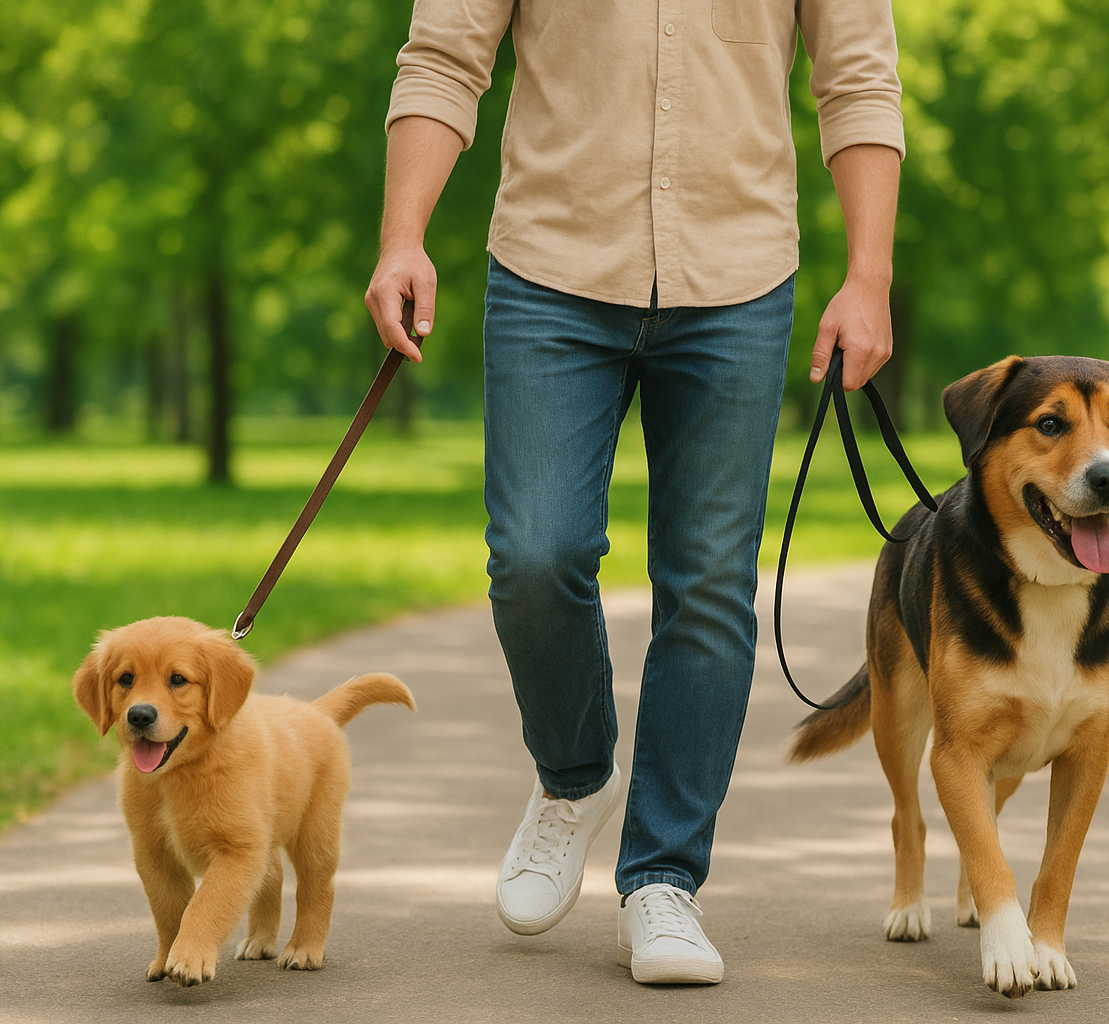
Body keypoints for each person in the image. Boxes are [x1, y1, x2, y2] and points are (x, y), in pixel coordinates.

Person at [364, 0, 902, 986]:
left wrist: (869, 274)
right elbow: (443, 56)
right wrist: (404, 237)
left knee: (706, 585)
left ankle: (664, 875)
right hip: (549, 268)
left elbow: (858, 77)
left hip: (739, 278)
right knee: (535, 554)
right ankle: (575, 776)